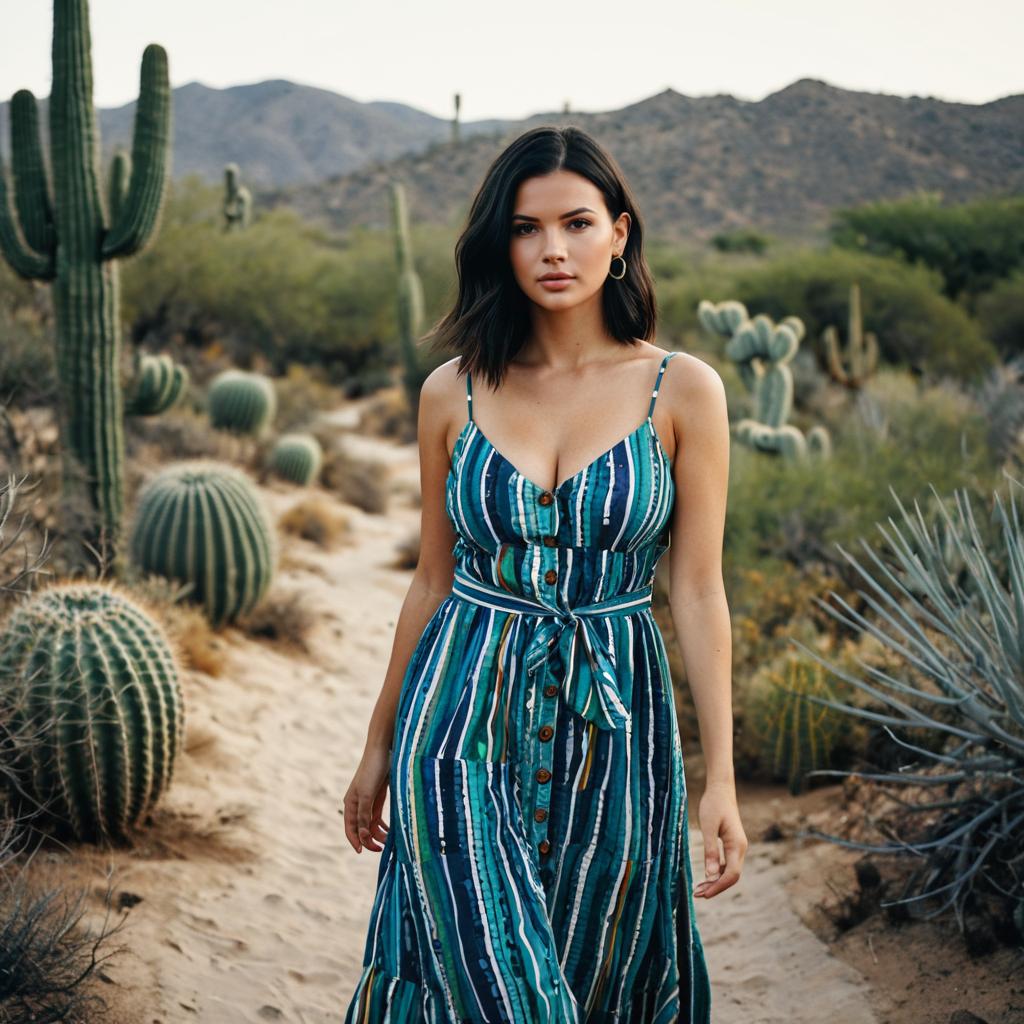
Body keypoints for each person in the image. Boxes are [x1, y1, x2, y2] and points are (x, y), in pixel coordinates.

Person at [342, 124, 745, 1023]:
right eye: (526, 228)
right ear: (502, 241)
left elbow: (698, 589)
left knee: (598, 965)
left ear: (621, 233)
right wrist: (376, 747)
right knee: (487, 975)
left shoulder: (683, 390)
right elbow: (431, 582)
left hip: (618, 729)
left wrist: (720, 776)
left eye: (575, 223)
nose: (552, 249)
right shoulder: (453, 389)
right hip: (457, 719)